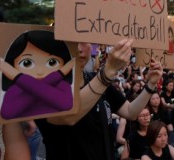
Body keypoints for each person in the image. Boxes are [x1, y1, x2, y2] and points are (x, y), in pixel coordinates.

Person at [35, 39, 163, 160]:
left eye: (84, 42)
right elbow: (69, 117)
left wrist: (150, 85)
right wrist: (108, 72)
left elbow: (131, 112)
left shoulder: (95, 79)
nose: (79, 48)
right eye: (71, 42)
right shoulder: (41, 89)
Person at [0, 30, 74, 119]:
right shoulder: (15, 89)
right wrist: (60, 73)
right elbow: (7, 113)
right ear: (12, 64)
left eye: (52, 62)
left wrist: (17, 76)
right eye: (27, 63)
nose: (40, 71)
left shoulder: (62, 85)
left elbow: (66, 104)